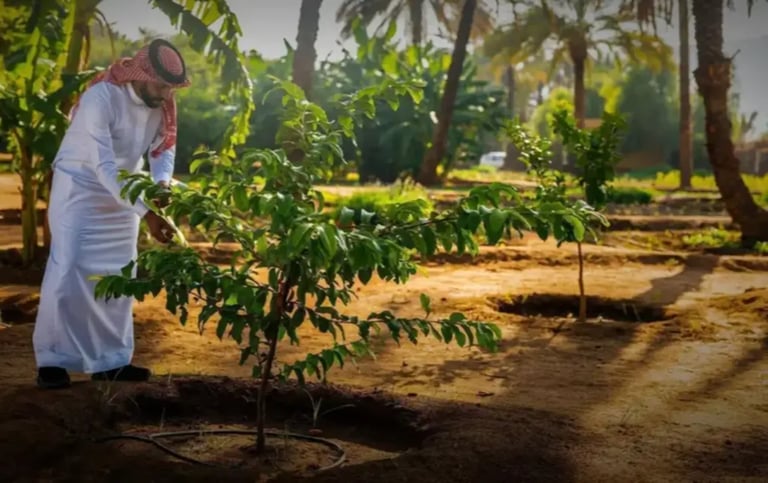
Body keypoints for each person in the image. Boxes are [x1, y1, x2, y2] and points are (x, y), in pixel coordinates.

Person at [33, 38, 191, 389]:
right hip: (81, 189)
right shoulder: (101, 98)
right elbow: (102, 166)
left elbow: (164, 148)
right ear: (140, 74)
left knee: (121, 274)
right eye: (162, 85)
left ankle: (112, 360)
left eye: (171, 87)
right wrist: (147, 213)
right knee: (69, 268)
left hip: (125, 193)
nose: (167, 94)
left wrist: (162, 184)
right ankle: (53, 361)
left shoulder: (160, 103)